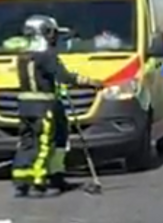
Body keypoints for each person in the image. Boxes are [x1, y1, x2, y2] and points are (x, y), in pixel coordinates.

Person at [10, 16, 100, 196]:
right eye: (51, 33)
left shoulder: (23, 55)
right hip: (43, 105)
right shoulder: (47, 55)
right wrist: (90, 82)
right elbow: (64, 76)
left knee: (27, 142)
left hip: (24, 106)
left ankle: (22, 178)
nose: (54, 38)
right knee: (44, 142)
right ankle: (38, 179)